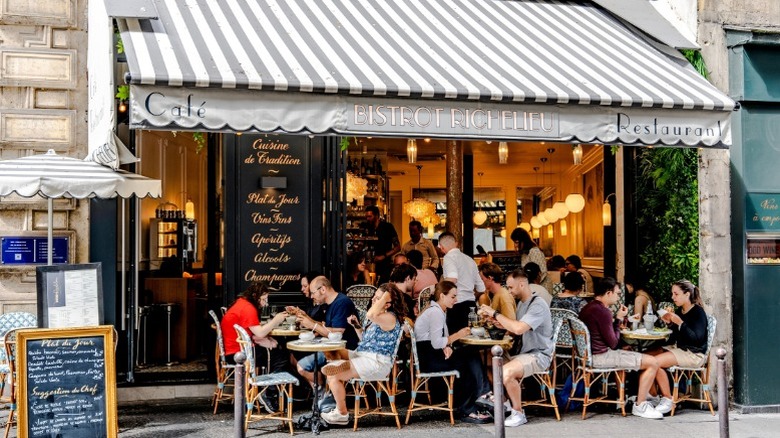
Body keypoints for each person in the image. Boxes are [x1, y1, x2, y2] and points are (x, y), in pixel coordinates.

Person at [319, 283, 407, 426]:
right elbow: (366, 341)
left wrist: (386, 296)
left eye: (378, 298)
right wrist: (357, 326)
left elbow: (370, 314)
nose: (373, 300)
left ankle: (341, 413)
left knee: (332, 375)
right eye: (374, 297)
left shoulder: (389, 318)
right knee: (331, 350)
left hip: (377, 362)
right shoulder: (378, 318)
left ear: (387, 304)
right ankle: (340, 370)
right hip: (364, 355)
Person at [478, 269, 553, 427]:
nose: (509, 291)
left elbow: (519, 329)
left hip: (538, 355)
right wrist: (496, 321)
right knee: (484, 358)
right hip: (522, 353)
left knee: (506, 372)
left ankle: (518, 413)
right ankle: (504, 403)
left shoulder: (537, 304)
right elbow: (514, 329)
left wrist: (496, 313)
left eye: (511, 287)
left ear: (521, 284)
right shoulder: (522, 304)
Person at [578, 277, 663, 419]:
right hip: (602, 357)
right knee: (652, 362)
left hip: (589, 356)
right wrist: (617, 320)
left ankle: (628, 398)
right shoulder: (603, 311)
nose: (618, 297)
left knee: (629, 351)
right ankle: (640, 405)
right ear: (608, 293)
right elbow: (613, 343)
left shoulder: (588, 307)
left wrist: (616, 319)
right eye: (617, 293)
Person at [414, 281, 490, 424]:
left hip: (430, 355)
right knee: (466, 361)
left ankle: (480, 397)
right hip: (429, 359)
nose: (456, 300)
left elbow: (439, 340)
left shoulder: (437, 310)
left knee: (468, 354)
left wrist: (447, 346)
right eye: (453, 296)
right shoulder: (435, 312)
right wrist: (459, 334)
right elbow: (436, 342)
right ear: (442, 296)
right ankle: (470, 406)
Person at [221, 282, 290, 413]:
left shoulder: (241, 303)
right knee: (281, 356)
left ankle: (268, 390)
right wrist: (276, 320)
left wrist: (264, 340)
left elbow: (252, 333)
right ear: (255, 296)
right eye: (263, 300)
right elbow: (259, 332)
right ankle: (268, 392)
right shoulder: (248, 308)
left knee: (275, 349)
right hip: (239, 354)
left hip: (235, 350)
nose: (265, 304)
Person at [649, 280, 709, 416]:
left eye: (676, 294)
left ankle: (668, 399)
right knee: (646, 357)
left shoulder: (698, 312)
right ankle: (653, 397)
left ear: (687, 294)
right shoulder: (680, 311)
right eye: (672, 294)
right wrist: (670, 324)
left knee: (654, 362)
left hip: (693, 354)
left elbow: (696, 339)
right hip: (680, 349)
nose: (672, 297)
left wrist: (680, 323)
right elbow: (675, 337)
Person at [295, 276, 359, 390]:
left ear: (323, 289)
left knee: (302, 367)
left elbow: (337, 333)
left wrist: (312, 325)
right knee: (298, 358)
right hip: (330, 350)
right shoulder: (331, 304)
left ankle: (324, 392)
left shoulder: (342, 303)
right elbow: (327, 328)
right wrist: (307, 318)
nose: (311, 296)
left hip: (344, 351)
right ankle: (323, 392)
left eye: (313, 293)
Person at [438, 231, 486, 333]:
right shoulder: (469, 259)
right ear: (455, 243)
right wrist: (470, 295)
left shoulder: (449, 257)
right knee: (471, 340)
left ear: (441, 247)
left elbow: (452, 278)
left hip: (456, 306)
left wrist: (439, 293)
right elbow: (481, 288)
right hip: (471, 306)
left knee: (457, 341)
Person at [365, 205, 400, 285]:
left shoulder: (388, 227)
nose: (367, 219)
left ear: (377, 215)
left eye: (370, 216)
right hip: (370, 265)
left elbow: (398, 247)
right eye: (366, 217)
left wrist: (383, 256)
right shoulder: (366, 227)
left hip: (385, 265)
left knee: (383, 287)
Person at [511, 227, 552, 293]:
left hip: (542, 287)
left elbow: (543, 271)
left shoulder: (534, 251)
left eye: (517, 242)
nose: (515, 245)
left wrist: (533, 286)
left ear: (523, 241)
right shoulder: (524, 254)